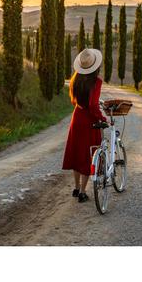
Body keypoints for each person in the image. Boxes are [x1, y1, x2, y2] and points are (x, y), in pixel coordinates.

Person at [62, 47, 107, 203]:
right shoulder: (96, 82)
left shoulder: (75, 79)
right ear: (96, 66)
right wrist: (102, 118)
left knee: (77, 153)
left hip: (77, 116)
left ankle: (75, 188)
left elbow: (75, 101)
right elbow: (94, 105)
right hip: (89, 121)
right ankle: (82, 192)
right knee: (88, 155)